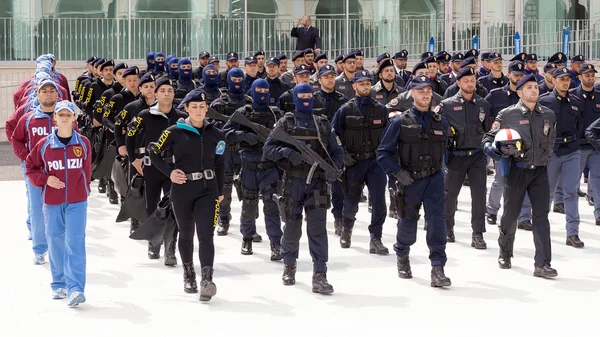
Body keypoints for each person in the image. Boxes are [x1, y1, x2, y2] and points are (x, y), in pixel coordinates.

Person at [263, 83, 344, 293]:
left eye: (309, 95)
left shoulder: (323, 124)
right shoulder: (286, 122)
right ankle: (289, 266)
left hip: (317, 182)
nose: (306, 99)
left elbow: (337, 153)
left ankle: (320, 274)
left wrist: (332, 169)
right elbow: (268, 149)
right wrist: (287, 153)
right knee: (291, 227)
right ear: (295, 98)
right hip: (293, 182)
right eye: (302, 96)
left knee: (317, 229)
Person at [148, 90, 224, 302]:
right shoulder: (174, 131)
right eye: (194, 107)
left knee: (206, 234)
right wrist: (169, 172)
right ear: (187, 109)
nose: (199, 110)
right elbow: (153, 152)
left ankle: (206, 279)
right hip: (182, 190)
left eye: (202, 107)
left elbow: (220, 163)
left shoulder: (216, 134)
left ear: (207, 108)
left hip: (208, 191)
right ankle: (189, 273)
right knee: (187, 233)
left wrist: (220, 192)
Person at [376, 75, 452, 287]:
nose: (426, 94)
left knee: (437, 224)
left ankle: (438, 268)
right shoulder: (400, 121)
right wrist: (398, 174)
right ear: (411, 94)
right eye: (420, 90)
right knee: (408, 224)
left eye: (428, 90)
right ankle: (402, 254)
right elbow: (382, 153)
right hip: (410, 180)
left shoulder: (441, 121)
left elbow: (446, 149)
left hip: (435, 180)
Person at [482, 74, 558, 278]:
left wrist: (546, 158)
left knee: (541, 217)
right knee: (510, 215)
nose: (534, 90)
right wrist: (495, 152)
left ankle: (542, 263)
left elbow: (551, 139)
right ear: (519, 92)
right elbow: (488, 138)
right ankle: (505, 252)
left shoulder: (548, 115)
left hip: (540, 172)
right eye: (529, 87)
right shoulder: (508, 114)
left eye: (536, 87)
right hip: (517, 171)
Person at [25, 100, 91, 307]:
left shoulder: (83, 144)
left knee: (75, 243)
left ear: (74, 118)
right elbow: (30, 167)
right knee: (55, 240)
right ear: (54, 118)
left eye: (67, 115)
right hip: (52, 202)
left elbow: (86, 171)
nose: (64, 118)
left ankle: (75, 289)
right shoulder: (44, 144)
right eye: (60, 115)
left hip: (77, 202)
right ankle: (58, 284)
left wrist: (84, 190)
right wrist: (46, 180)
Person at [126, 78, 188, 263]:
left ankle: (170, 248)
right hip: (151, 168)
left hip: (173, 169)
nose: (166, 94)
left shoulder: (182, 117)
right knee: (152, 207)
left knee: (173, 208)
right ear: (156, 94)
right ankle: (154, 243)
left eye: (170, 90)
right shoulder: (145, 115)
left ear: (174, 94)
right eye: (163, 91)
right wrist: (133, 159)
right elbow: (130, 136)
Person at [222, 79, 283, 259]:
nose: (262, 93)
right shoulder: (243, 113)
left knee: (272, 206)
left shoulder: (276, 113)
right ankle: (247, 238)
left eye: (265, 90)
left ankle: (275, 243)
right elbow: (225, 133)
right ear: (252, 91)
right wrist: (245, 136)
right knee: (248, 204)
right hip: (248, 166)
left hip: (270, 167)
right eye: (259, 90)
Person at [331, 70, 390, 254]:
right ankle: (346, 230)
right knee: (350, 202)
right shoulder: (345, 110)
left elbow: (389, 136)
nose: (365, 86)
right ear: (354, 85)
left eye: (368, 83)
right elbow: (333, 135)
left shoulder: (381, 109)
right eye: (361, 83)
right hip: (353, 163)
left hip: (375, 163)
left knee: (379, 201)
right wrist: (342, 154)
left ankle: (376, 238)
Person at [11, 80, 64, 264]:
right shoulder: (28, 119)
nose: (48, 94)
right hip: (36, 173)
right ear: (37, 94)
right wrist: (26, 157)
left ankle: (58, 246)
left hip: (60, 174)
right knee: (37, 210)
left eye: (52, 91)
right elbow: (16, 139)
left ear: (57, 94)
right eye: (44, 91)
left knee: (59, 211)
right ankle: (40, 249)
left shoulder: (64, 117)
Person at [439, 67, 491, 247]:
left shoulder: (483, 104)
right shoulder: (447, 105)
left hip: (477, 156)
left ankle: (478, 233)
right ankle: (447, 228)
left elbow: (488, 130)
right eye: (466, 81)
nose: (470, 84)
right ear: (458, 83)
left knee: (479, 196)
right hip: (456, 156)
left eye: (472, 80)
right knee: (450, 194)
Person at [538, 67, 584, 248]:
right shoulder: (545, 101)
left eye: (568, 79)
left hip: (571, 150)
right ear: (554, 80)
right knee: (547, 192)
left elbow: (579, 126)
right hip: (552, 152)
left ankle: (572, 233)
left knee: (571, 192)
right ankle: (541, 231)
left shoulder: (576, 101)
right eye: (562, 79)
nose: (566, 82)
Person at [570, 64, 600, 226]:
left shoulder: (599, 96)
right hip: (578, 146)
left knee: (598, 179)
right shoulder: (572, 96)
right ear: (580, 77)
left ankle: (599, 213)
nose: (590, 78)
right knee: (572, 181)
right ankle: (570, 212)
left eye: (592, 75)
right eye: (586, 75)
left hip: (596, 147)